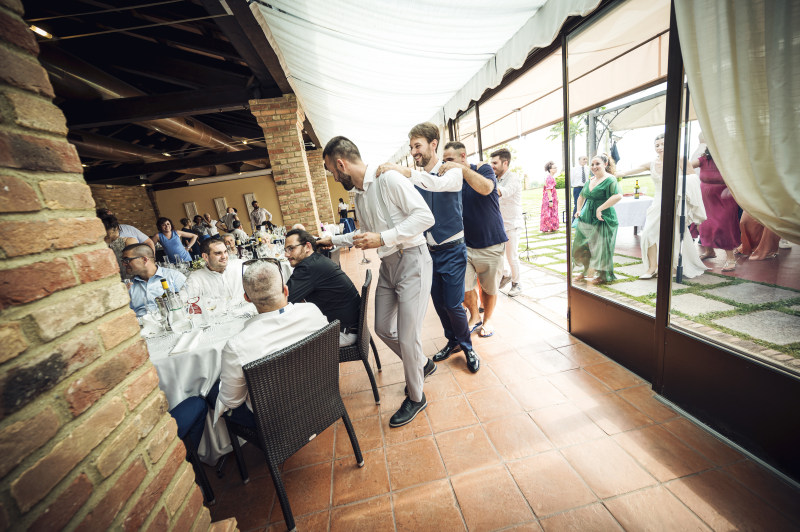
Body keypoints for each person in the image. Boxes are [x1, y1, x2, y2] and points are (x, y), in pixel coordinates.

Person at [317, 136, 435, 428]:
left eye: (332, 171)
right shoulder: (359, 196)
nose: (334, 178)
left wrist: (382, 238)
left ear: (341, 163)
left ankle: (417, 397)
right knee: (382, 327)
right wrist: (332, 240)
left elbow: (425, 217)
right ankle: (421, 363)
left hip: (413, 261)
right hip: (389, 266)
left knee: (408, 336)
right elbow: (364, 234)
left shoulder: (389, 179)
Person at [375, 123, 485, 372]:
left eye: (418, 146)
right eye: (411, 147)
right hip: (428, 252)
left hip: (453, 250)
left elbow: (435, 185)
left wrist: (404, 172)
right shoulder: (413, 180)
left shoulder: (452, 171)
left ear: (433, 144)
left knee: (453, 304)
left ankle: (467, 347)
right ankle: (452, 341)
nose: (414, 151)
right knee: (439, 303)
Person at [209, 259, 328, 428]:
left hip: (275, 422)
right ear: (285, 290)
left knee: (211, 392)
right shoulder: (312, 311)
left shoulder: (238, 345)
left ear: (247, 298)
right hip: (321, 399)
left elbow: (232, 401)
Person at [441, 141, 506, 341]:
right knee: (464, 287)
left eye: (450, 160)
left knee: (489, 288)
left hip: (491, 242)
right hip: (464, 245)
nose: (446, 164)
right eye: (444, 161)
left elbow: (486, 188)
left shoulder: (483, 169)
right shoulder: (451, 180)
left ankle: (487, 320)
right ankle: (475, 316)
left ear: (463, 156)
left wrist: (461, 170)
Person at [619, 137, 706, 279]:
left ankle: (674, 265)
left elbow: (693, 178)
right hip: (657, 204)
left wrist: (676, 181)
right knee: (648, 234)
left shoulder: (680, 159)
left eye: (663, 144)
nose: (660, 147)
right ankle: (653, 267)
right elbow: (625, 173)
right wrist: (609, 174)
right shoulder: (652, 163)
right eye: (657, 145)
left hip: (674, 202)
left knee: (673, 234)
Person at [284, 228, 361, 346]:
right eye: (285, 250)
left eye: (291, 248)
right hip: (352, 325)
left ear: (307, 247)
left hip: (343, 333)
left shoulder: (308, 267)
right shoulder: (316, 259)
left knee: (286, 342)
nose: (286, 254)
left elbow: (283, 301)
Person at [572, 155, 623, 284]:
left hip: (603, 216)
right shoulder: (590, 180)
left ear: (605, 164)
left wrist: (600, 208)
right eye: (592, 164)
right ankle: (585, 270)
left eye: (597, 164)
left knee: (602, 246)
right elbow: (581, 197)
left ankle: (603, 275)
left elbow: (618, 196)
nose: (594, 167)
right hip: (587, 216)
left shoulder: (610, 179)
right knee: (582, 244)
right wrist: (579, 210)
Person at [691, 147, 740, 271]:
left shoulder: (729, 160)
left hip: (724, 198)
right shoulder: (703, 160)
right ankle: (710, 251)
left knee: (724, 227)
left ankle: (731, 259)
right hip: (706, 199)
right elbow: (686, 165)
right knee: (704, 224)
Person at [122, 243, 186, 316]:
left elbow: (190, 302)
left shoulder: (174, 277)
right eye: (123, 261)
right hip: (142, 322)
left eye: (127, 260)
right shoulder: (129, 286)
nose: (123, 264)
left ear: (144, 260)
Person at [493, 148, 523, 297]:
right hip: (499, 224)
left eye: (495, 163)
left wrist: (485, 185)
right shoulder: (495, 178)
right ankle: (505, 275)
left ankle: (517, 284)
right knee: (497, 255)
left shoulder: (513, 178)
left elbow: (502, 192)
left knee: (512, 256)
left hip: (512, 224)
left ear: (505, 163)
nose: (492, 166)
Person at [183, 237, 247, 305]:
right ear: (205, 257)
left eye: (225, 252)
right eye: (218, 253)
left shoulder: (239, 265)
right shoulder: (196, 279)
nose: (224, 256)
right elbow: (183, 301)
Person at [103, 215, 137, 279]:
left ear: (116, 228)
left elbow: (135, 263)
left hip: (131, 278)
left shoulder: (128, 240)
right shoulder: (101, 245)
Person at [540, 161, 560, 233]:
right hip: (549, 197)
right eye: (554, 168)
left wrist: (556, 198)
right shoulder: (549, 178)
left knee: (552, 212)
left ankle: (552, 227)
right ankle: (549, 227)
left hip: (552, 196)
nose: (556, 169)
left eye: (556, 167)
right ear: (550, 169)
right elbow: (548, 190)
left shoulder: (551, 177)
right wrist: (550, 200)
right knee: (549, 212)